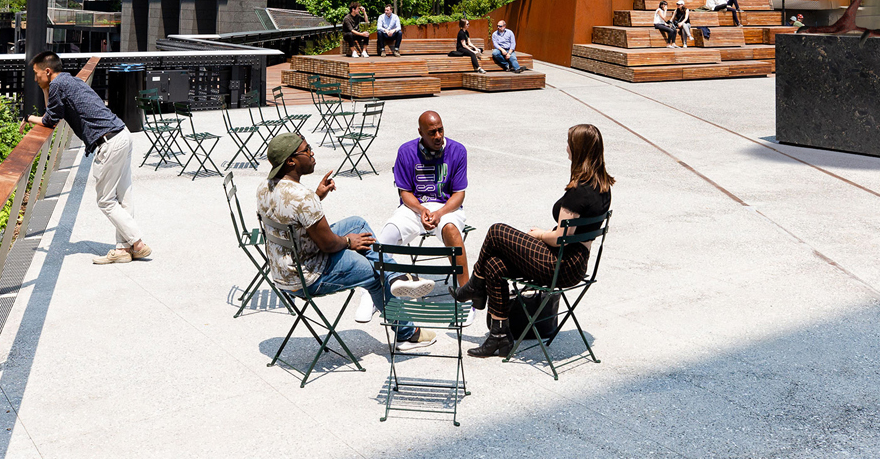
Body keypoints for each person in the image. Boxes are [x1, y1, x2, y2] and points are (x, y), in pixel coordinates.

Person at [257, 133, 435, 348]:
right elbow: (328, 244)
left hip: (284, 269)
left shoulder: (265, 187)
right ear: (291, 161)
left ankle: (395, 277)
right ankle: (407, 333)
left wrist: (317, 196)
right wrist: (349, 242)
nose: (312, 153)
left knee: (357, 224)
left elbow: (293, 216)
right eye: (307, 150)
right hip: (308, 276)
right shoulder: (303, 197)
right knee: (374, 272)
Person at [453, 123, 614, 358]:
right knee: (494, 263)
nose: (566, 147)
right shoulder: (603, 186)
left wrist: (539, 234)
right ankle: (499, 337)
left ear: (578, 150)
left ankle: (476, 286)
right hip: (576, 264)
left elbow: (560, 238)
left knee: (497, 231)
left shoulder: (578, 191)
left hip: (560, 265)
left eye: (570, 143)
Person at [26, 51, 151, 265]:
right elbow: (53, 112)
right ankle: (122, 249)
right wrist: (45, 87)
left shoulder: (57, 86)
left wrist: (27, 118)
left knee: (106, 201)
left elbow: (49, 120)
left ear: (47, 71)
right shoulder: (70, 80)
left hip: (108, 142)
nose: (35, 78)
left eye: (37, 74)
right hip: (121, 133)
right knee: (123, 196)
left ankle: (137, 243)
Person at [356, 110, 470, 322]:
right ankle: (370, 294)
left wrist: (440, 213)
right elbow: (404, 192)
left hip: (446, 207)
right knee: (385, 236)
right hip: (415, 207)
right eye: (432, 132)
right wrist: (421, 210)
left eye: (440, 130)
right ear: (421, 133)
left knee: (452, 231)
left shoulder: (457, 150)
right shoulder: (406, 151)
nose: (438, 136)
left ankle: (466, 296)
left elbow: (459, 194)